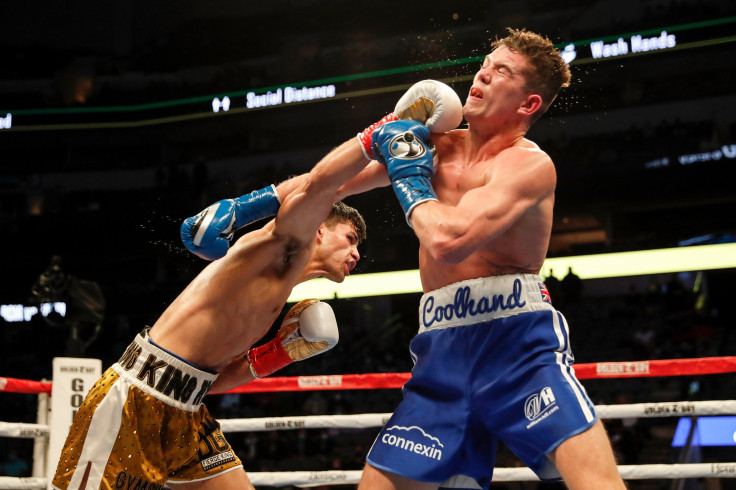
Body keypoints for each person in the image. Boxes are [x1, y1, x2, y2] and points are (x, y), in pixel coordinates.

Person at [352, 28, 627, 489]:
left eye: (502, 71)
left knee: (595, 484)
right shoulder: (434, 147)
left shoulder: (528, 165)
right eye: (486, 63)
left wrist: (409, 179)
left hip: (517, 343)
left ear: (528, 104)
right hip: (439, 350)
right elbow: (329, 186)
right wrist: (254, 206)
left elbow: (447, 241)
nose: (483, 72)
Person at [51, 139, 370, 489]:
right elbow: (320, 184)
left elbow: (209, 382)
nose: (356, 252)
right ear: (319, 228)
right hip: (135, 400)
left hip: (187, 412)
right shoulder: (277, 246)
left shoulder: (278, 293)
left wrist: (276, 354)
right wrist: (376, 138)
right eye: (351, 237)